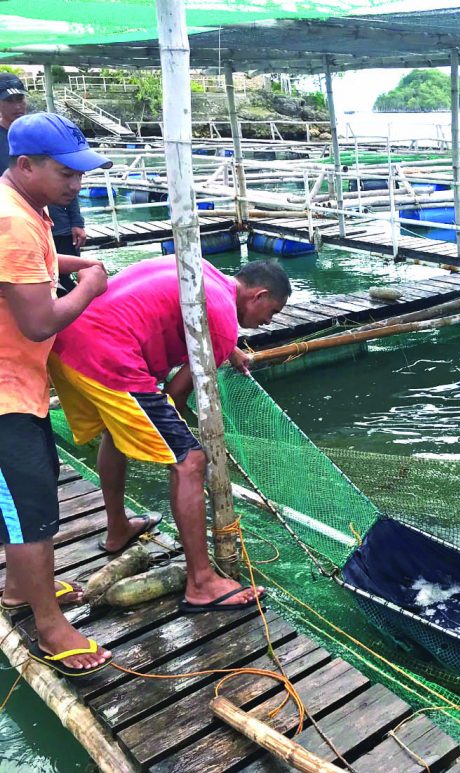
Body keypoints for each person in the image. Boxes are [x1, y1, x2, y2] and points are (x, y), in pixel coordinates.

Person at [48, 255, 291, 612]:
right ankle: (201, 583)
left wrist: (229, 349)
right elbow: (175, 394)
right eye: (271, 312)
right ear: (258, 295)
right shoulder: (223, 320)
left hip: (70, 343)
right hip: (110, 359)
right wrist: (178, 434)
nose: (267, 322)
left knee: (116, 433)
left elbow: (183, 311)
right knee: (189, 460)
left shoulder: (199, 267)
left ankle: (118, 528)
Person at [0, 112, 112, 675]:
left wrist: (75, 261)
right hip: (3, 397)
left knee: (28, 500)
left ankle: (21, 592)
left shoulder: (25, 209)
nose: (76, 184)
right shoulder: (11, 223)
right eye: (66, 173)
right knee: (30, 512)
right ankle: (49, 627)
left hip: (22, 385)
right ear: (26, 165)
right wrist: (90, 285)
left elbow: (36, 267)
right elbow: (40, 321)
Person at [0, 73, 89, 295]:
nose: (16, 106)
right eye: (9, 100)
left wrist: (76, 220)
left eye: (19, 99)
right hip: (23, 223)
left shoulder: (47, 132)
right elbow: (39, 323)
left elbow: (70, 174)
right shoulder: (11, 218)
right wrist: (90, 288)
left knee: (59, 281)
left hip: (53, 221)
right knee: (44, 289)